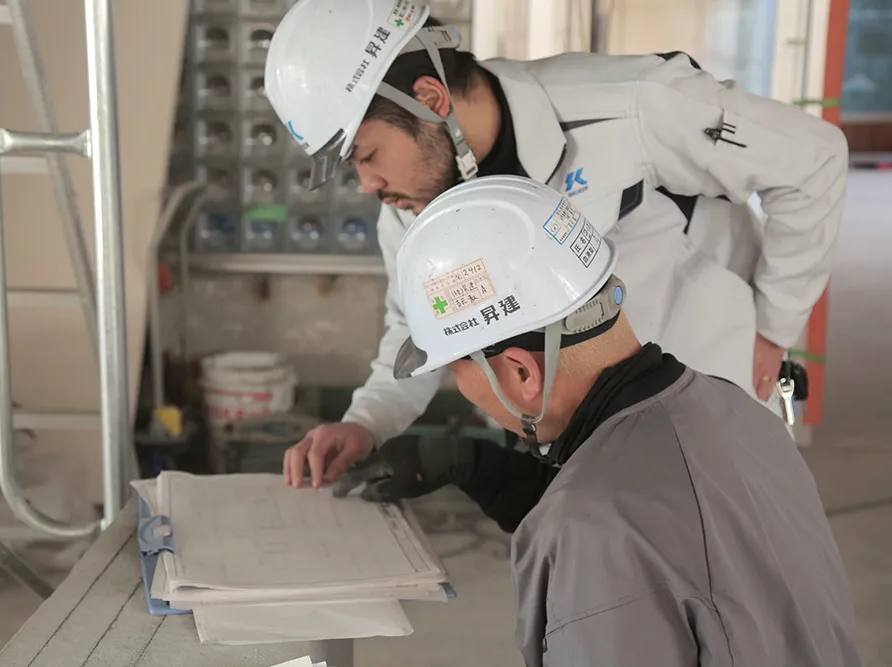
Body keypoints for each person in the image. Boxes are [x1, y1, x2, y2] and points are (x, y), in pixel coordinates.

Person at [263, 0, 849, 489]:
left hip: (709, 396)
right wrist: (365, 423)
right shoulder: (411, 206)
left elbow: (812, 162)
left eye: (366, 155)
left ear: (432, 99)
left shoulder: (631, 106)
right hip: (576, 437)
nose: (368, 185)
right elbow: (417, 326)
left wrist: (775, 326)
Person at [337, 174, 861, 667]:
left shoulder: (590, 528)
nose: (468, 395)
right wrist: (472, 465)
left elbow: (610, 527)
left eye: (457, 372)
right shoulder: (735, 411)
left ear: (521, 372)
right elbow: (661, 523)